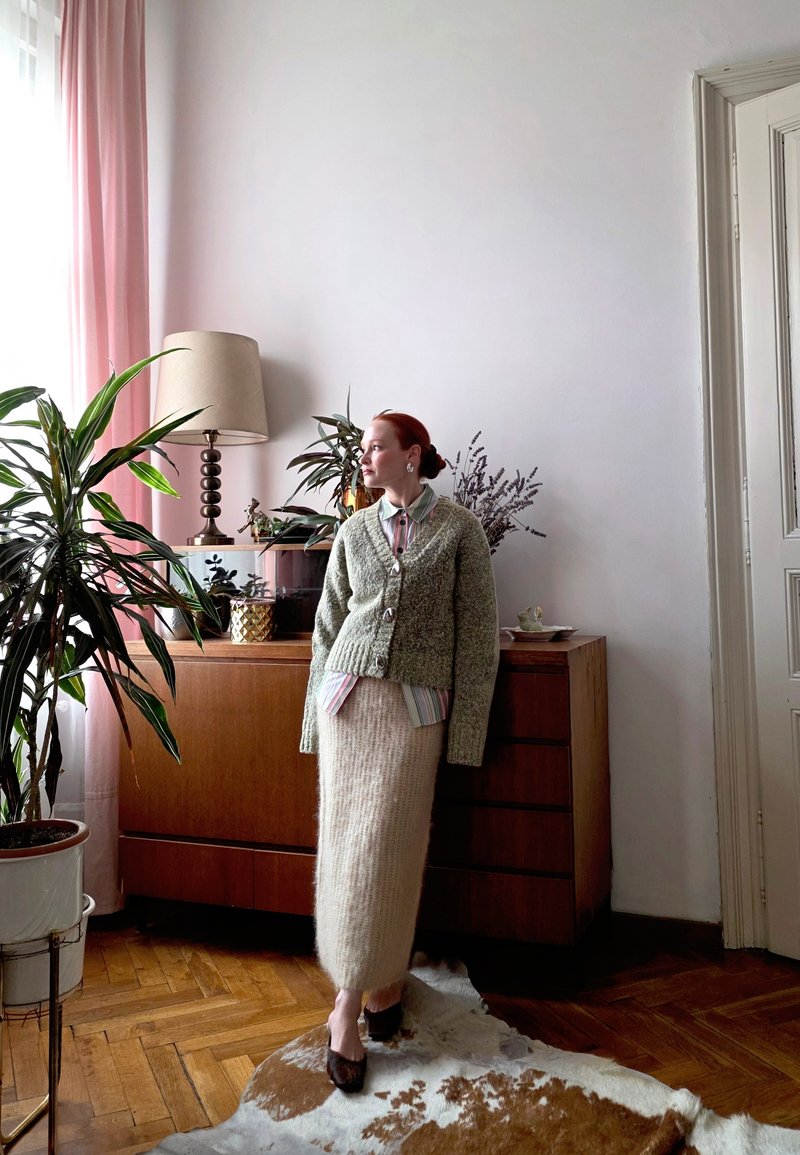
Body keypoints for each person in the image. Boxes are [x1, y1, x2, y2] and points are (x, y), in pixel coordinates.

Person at [300, 411, 499, 1093]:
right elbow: (329, 627)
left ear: (411, 455)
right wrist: (311, 721)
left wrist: (467, 735)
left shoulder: (462, 530)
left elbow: (477, 642)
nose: (364, 456)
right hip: (348, 706)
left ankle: (361, 992)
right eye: (362, 448)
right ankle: (359, 999)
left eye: (376, 446)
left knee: (391, 849)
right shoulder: (353, 531)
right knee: (348, 847)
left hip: (415, 713)